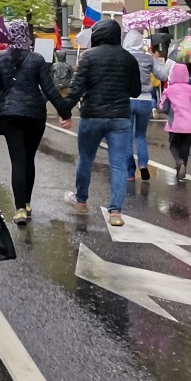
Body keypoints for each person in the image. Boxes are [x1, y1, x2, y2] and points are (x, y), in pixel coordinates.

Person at [59, 19, 141, 227]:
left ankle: (81, 201)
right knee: (119, 164)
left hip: (92, 116)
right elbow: (136, 91)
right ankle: (116, 213)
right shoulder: (129, 59)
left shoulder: (89, 57)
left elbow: (76, 88)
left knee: (86, 159)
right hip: (120, 118)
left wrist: (64, 110)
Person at [0, 21, 68, 225]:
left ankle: (20, 208)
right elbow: (49, 89)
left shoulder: (0, 58)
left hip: (10, 115)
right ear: (26, 36)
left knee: (18, 161)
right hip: (34, 115)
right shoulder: (37, 59)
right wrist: (64, 111)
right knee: (29, 159)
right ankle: (27, 202)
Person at [123, 30, 172, 181]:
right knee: (140, 136)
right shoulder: (148, 58)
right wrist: (168, 62)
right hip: (145, 100)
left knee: (127, 137)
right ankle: (143, 165)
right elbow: (163, 75)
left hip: (128, 100)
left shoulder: (123, 57)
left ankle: (130, 172)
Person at [159, 62, 191, 181]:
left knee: (174, 145)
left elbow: (163, 107)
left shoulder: (169, 90)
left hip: (174, 123)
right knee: (185, 147)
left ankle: (178, 161)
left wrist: (168, 111)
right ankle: (183, 171)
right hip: (189, 124)